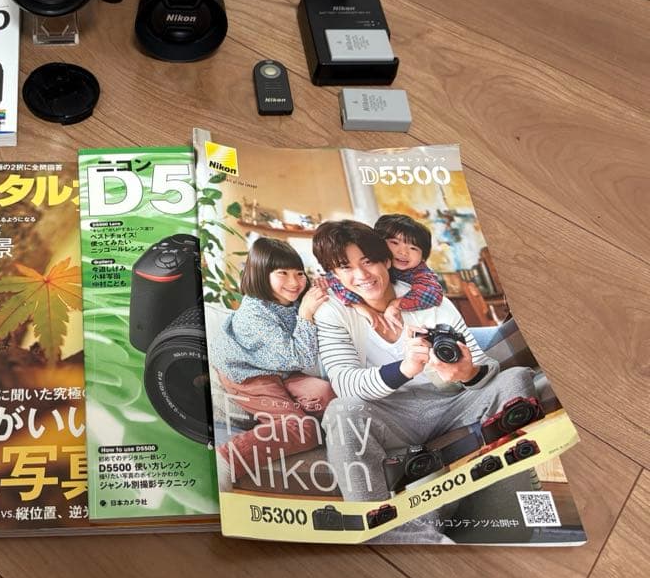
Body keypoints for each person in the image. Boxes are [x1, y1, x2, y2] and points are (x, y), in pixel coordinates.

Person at [311, 220, 536, 543]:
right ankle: (385, 531)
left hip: (451, 404)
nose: (361, 275)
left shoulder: (431, 300)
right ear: (334, 274)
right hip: (390, 416)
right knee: (341, 411)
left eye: (368, 261)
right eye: (345, 267)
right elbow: (346, 384)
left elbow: (484, 365)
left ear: (386, 260)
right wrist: (405, 368)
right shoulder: (332, 312)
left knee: (515, 378)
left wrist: (467, 373)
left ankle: (484, 512)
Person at [211, 238, 335, 470]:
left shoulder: (291, 299)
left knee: (328, 395)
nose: (294, 282)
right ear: (261, 274)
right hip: (248, 372)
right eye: (283, 273)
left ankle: (288, 415)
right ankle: (225, 459)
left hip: (282, 369)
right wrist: (306, 313)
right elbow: (301, 358)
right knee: (302, 429)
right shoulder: (253, 313)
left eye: (299, 273)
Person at [325, 214, 444, 333]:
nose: (403, 252)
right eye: (395, 243)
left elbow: (432, 294)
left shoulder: (420, 272)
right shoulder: (362, 267)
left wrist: (396, 304)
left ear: (422, 257)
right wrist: (359, 306)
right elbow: (335, 278)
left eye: (413, 248)